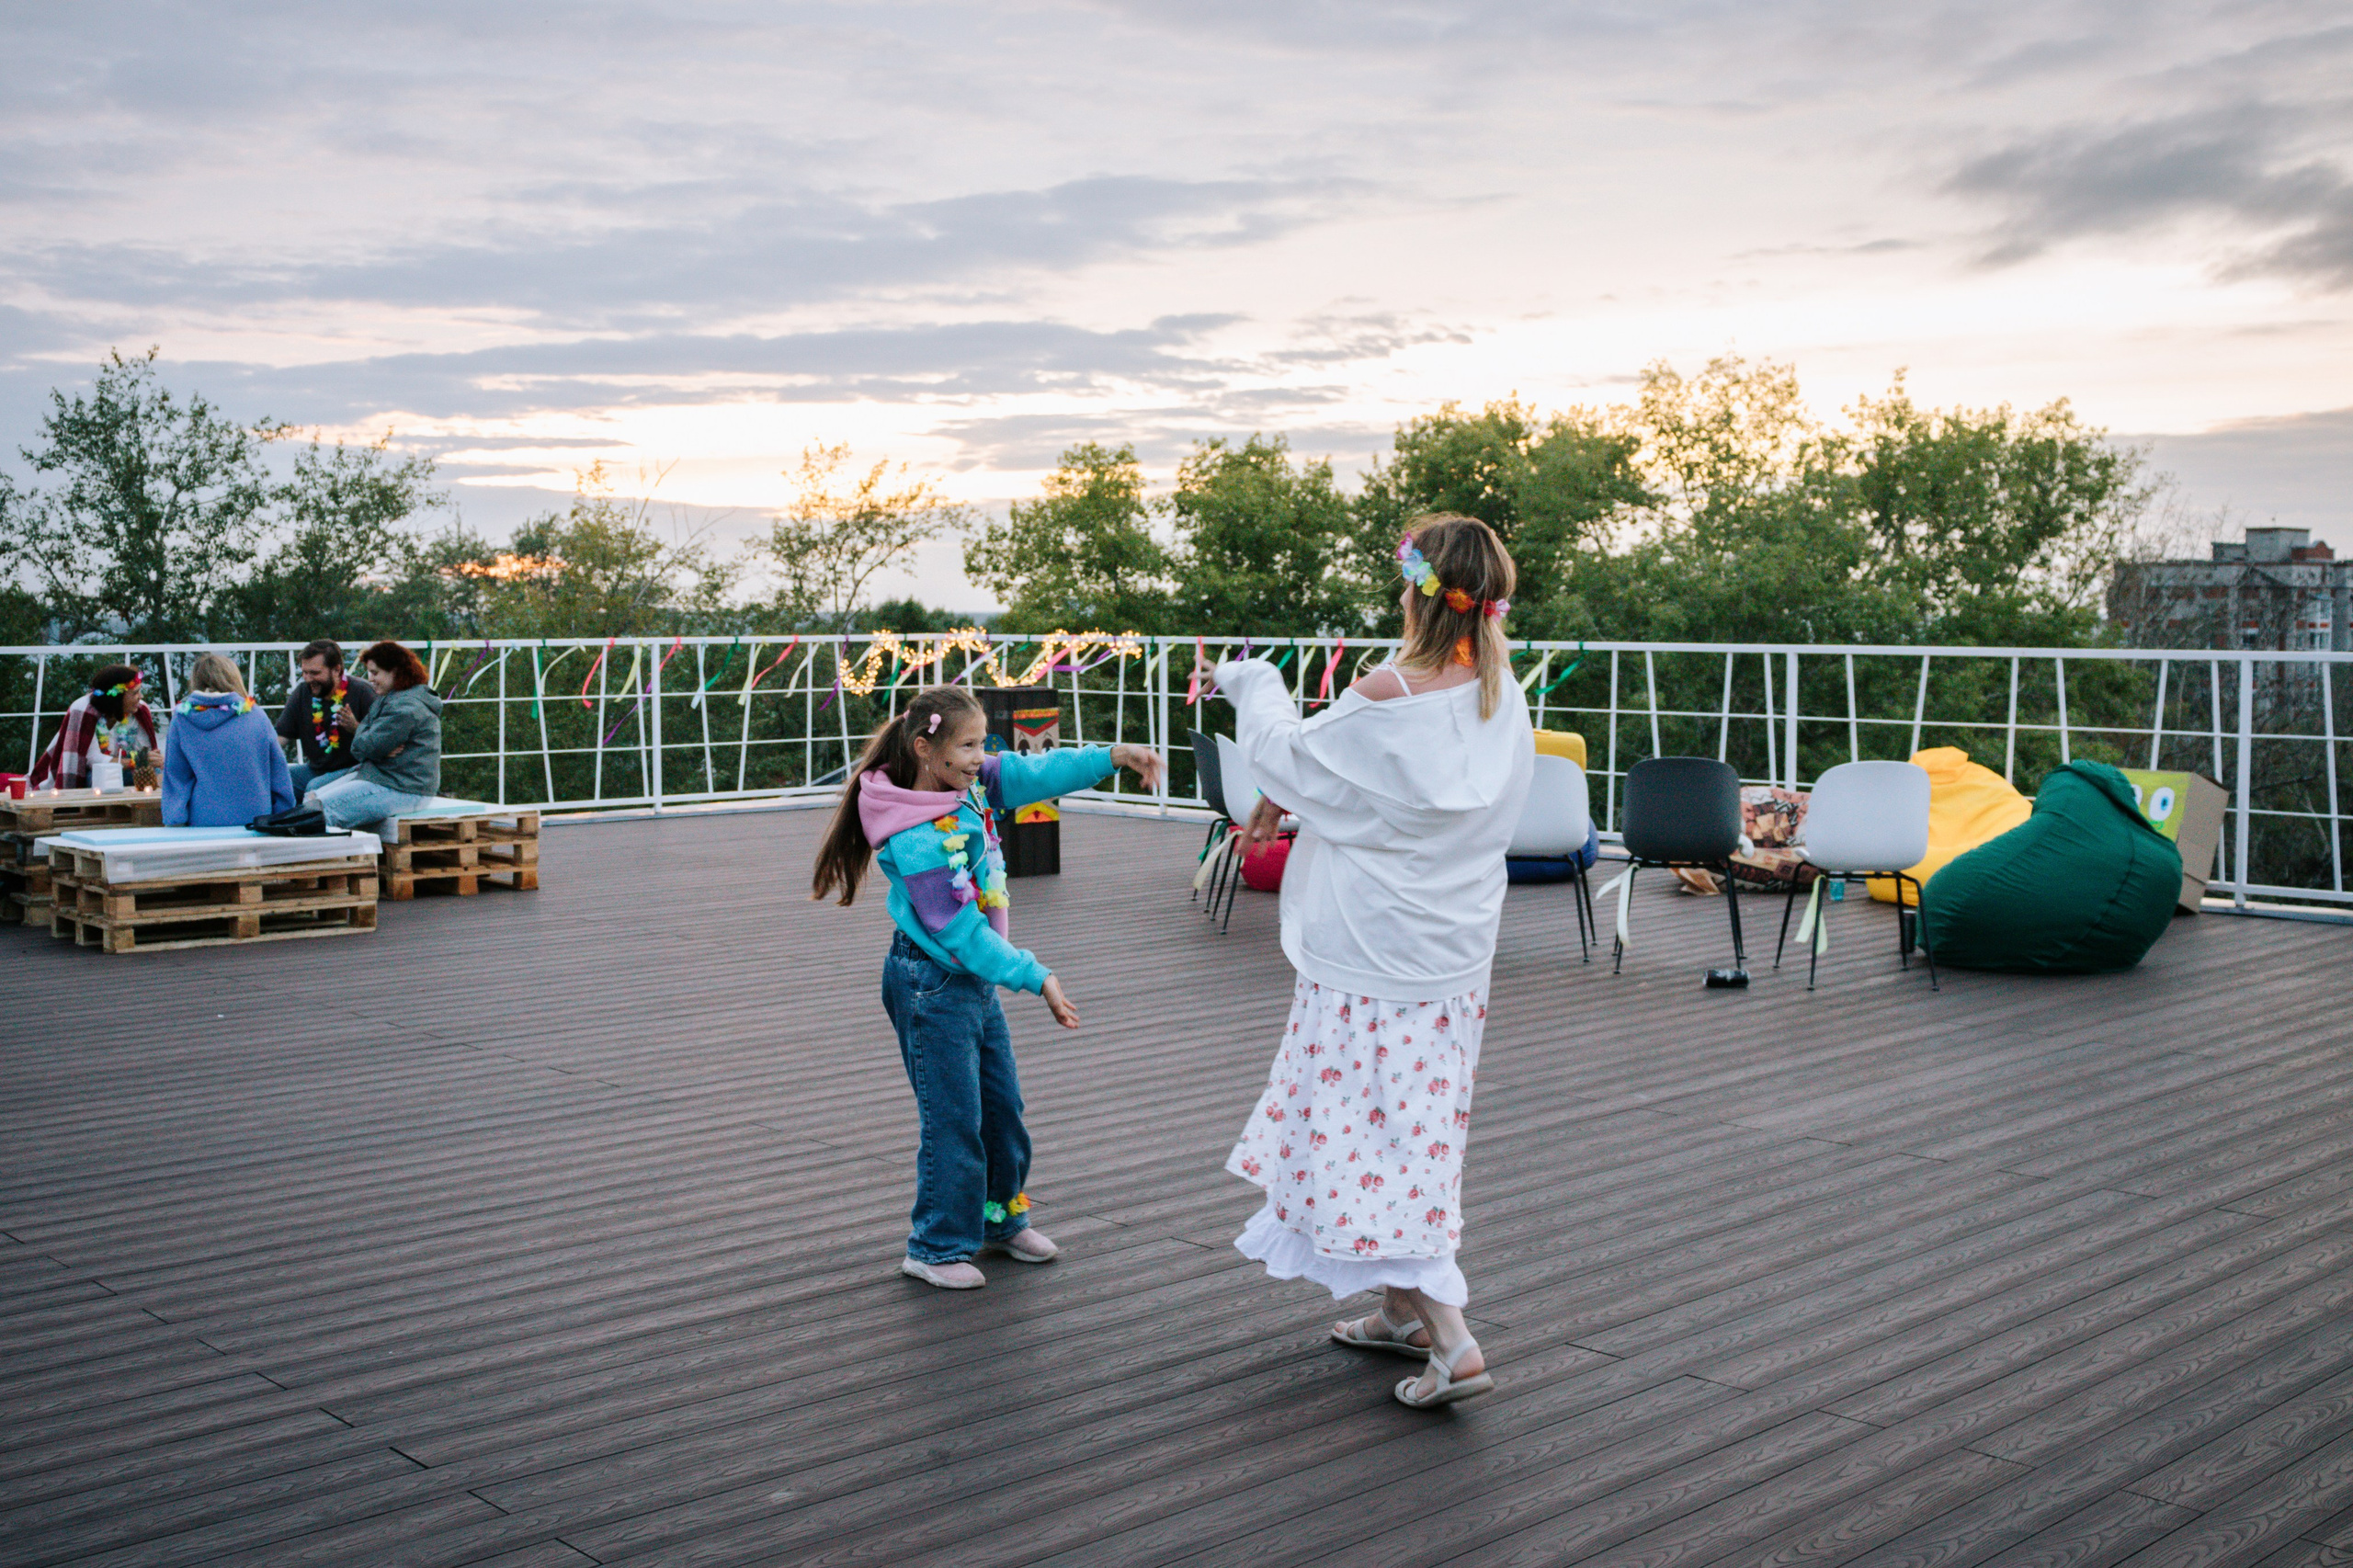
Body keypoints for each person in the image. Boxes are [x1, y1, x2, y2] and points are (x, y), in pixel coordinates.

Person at [1206, 513, 1533, 1408]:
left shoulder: (1388, 690)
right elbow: (1374, 790)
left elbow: (1293, 751)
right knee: (1417, 1123)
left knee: (1372, 1134)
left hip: (1368, 960)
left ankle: (1451, 1337)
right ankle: (1396, 1311)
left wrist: (1252, 677)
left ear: (1418, 591)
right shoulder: (1501, 700)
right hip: (1452, 958)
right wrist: (1289, 793)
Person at [811, 686, 1165, 1290]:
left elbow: (1033, 770)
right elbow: (957, 929)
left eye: (983, 745)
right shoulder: (915, 833)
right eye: (969, 745)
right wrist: (1037, 975)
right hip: (931, 983)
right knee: (953, 1120)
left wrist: (1113, 756)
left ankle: (1000, 1218)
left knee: (1002, 1112)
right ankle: (935, 1245)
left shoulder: (965, 785)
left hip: (972, 981)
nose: (982, 757)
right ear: (927, 749)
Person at [307, 641, 442, 831]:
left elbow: (366, 746)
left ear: (395, 671)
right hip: (384, 777)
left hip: (404, 788)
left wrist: (369, 740)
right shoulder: (391, 698)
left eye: (375, 672)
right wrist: (372, 742)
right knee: (312, 796)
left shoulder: (406, 708)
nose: (370, 678)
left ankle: (333, 858)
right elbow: (367, 745)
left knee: (322, 811)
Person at [163, 653, 296, 826]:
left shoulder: (182, 719)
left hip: (204, 824)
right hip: (256, 823)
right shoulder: (256, 715)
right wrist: (282, 815)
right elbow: (279, 773)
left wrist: (175, 821)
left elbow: (176, 779)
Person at [28, 662, 158, 790]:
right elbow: (93, 759)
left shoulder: (140, 710)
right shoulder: (84, 711)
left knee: (156, 774)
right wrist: (134, 761)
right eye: (135, 693)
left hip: (128, 771)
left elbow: (143, 751)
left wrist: (152, 758)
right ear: (118, 697)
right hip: (89, 775)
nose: (140, 697)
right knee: (107, 779)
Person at [277, 639, 373, 798]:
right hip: (315, 770)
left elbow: (382, 738)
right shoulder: (302, 692)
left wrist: (356, 727)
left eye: (314, 673)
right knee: (275, 779)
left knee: (314, 788)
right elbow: (281, 736)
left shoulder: (362, 692)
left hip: (355, 772)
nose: (307, 679)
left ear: (336, 670)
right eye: (304, 672)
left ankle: (312, 821)